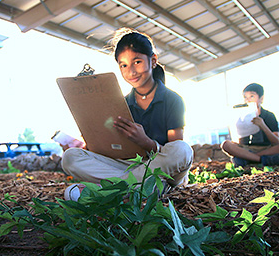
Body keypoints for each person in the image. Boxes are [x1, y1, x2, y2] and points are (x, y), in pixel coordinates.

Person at [62, 28, 193, 200]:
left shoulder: (173, 100)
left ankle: (113, 189)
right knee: (70, 157)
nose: (131, 71)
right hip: (128, 166)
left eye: (137, 62)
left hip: (160, 168)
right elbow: (111, 149)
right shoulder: (120, 105)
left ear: (153, 61)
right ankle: (142, 189)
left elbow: (174, 150)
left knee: (183, 150)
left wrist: (145, 142)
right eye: (123, 65)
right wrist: (91, 142)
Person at [221, 83, 279, 167]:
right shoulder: (242, 116)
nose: (248, 100)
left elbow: (276, 141)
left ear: (261, 98)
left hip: (267, 149)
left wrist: (262, 125)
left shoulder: (269, 115)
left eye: (252, 96)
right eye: (245, 97)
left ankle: (249, 159)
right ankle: (261, 160)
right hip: (248, 149)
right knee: (225, 144)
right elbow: (241, 143)